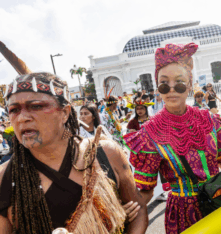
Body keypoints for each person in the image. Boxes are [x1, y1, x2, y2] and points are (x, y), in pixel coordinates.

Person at [123, 43, 221, 234]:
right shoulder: (148, 134)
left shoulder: (210, 120)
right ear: (158, 88)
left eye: (179, 83)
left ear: (189, 85)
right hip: (183, 214)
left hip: (220, 199)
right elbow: (146, 190)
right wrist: (127, 210)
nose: (171, 89)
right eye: (164, 84)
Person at [0, 72, 148, 233]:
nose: (22, 118)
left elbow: (138, 210)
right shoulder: (5, 177)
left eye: (36, 106)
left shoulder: (105, 153)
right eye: (14, 110)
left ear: (64, 113)